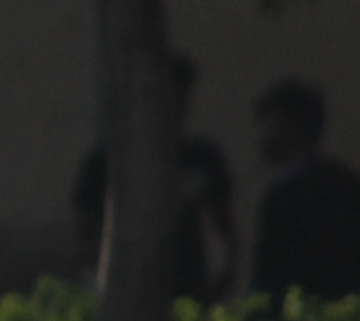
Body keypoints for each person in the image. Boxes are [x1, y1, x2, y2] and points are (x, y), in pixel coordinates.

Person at [70, 54, 239, 304]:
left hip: (188, 290)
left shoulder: (202, 158)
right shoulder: (107, 161)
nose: (175, 109)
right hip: (127, 292)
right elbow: (83, 234)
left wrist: (222, 280)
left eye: (181, 99)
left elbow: (225, 227)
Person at [245, 77, 360, 305]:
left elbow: (271, 278)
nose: (258, 135)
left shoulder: (286, 196)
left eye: (265, 123)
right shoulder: (356, 188)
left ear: (286, 124)